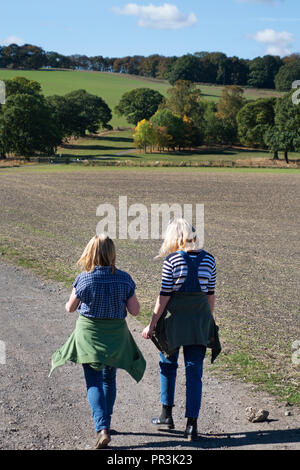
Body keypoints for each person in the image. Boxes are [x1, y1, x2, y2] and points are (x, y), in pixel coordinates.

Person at [49, 235, 146, 449]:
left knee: (93, 380)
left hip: (90, 337)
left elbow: (70, 308)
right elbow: (135, 311)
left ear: (90, 253)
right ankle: (106, 424)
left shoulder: (84, 279)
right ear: (112, 253)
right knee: (108, 379)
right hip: (115, 337)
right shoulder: (124, 279)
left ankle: (101, 427)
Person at [142, 218, 219, 441]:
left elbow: (163, 297)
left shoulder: (172, 261)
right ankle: (191, 425)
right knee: (194, 372)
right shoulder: (210, 260)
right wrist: (209, 321)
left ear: (174, 238)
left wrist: (152, 324)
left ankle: (167, 414)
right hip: (199, 321)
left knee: (168, 363)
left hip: (175, 321)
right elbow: (210, 294)